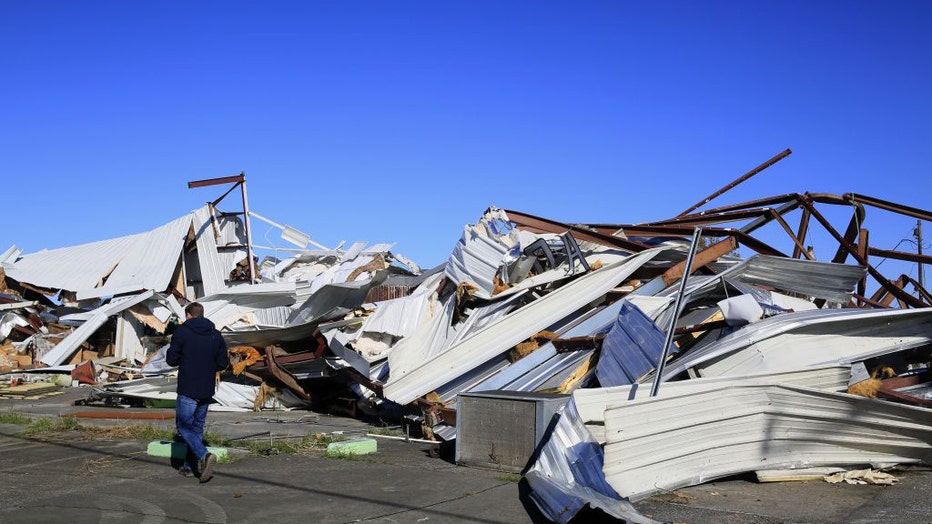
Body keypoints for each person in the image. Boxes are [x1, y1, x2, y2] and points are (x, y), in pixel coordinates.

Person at [166, 302, 229, 483]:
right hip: (206, 388)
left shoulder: (182, 332)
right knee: (196, 429)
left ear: (187, 315)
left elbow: (172, 359)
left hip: (188, 387)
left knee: (183, 427)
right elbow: (222, 363)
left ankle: (204, 455)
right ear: (202, 314)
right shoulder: (215, 335)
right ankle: (188, 467)